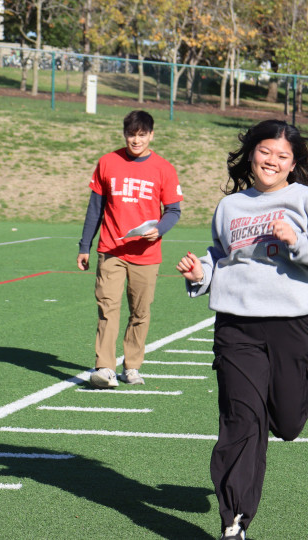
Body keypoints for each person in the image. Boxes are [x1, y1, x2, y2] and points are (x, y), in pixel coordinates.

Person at [176, 119, 308, 540]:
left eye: (282, 156)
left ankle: (285, 409)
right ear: (251, 154)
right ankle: (233, 521)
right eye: (265, 152)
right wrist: (201, 272)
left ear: (293, 164)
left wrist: (297, 241)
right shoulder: (230, 207)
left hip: (293, 323)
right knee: (240, 420)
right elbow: (220, 257)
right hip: (236, 326)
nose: (271, 161)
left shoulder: (307, 201)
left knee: (287, 423)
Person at [77, 110, 183, 389]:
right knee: (107, 308)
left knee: (140, 312)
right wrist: (84, 245)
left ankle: (132, 366)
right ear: (124, 134)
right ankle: (105, 367)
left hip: (146, 255)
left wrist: (159, 229)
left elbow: (173, 210)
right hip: (111, 250)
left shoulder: (164, 168)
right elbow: (95, 209)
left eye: (142, 135)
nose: (136, 140)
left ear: (151, 135)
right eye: (131, 134)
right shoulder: (107, 163)